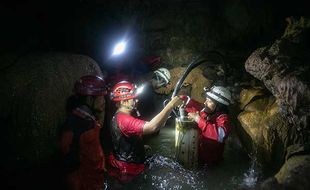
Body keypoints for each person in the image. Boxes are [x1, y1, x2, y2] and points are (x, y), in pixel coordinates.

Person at [107, 80, 182, 183]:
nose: (136, 101)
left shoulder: (120, 116)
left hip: (125, 162)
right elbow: (152, 127)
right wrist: (171, 105)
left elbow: (124, 139)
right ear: (124, 101)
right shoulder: (124, 120)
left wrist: (139, 147)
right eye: (133, 99)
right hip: (129, 171)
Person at [60, 75, 107, 190]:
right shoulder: (80, 125)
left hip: (91, 179)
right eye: (101, 97)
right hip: (86, 183)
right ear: (90, 99)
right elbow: (70, 158)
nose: (103, 101)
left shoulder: (85, 119)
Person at [183, 85, 232, 166]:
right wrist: (184, 100)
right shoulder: (206, 112)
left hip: (211, 165)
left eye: (209, 101)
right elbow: (196, 107)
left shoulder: (223, 119)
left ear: (219, 106)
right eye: (206, 100)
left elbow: (220, 135)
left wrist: (198, 119)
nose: (205, 102)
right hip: (198, 159)